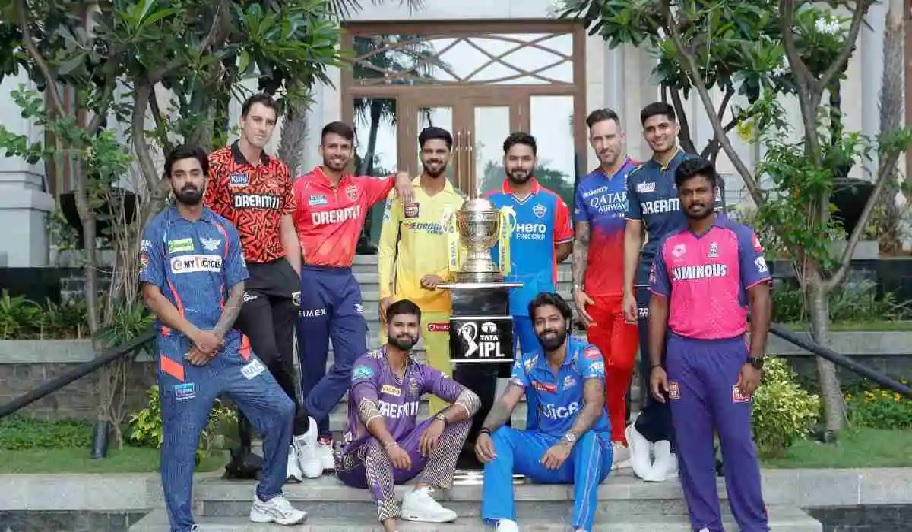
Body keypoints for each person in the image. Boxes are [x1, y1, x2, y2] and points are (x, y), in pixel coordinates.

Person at [140, 145, 306, 530]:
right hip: (181, 353)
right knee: (181, 444)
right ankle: (181, 526)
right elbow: (152, 295)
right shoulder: (158, 230)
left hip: (226, 348)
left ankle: (268, 497)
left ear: (205, 178)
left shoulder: (223, 229)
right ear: (170, 181)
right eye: (179, 174)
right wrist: (196, 336)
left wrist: (214, 336)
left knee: (281, 408)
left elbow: (238, 289)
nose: (188, 181)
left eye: (194, 173)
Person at [648, 156, 771, 532]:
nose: (695, 198)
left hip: (729, 352)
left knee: (737, 442)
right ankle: (705, 524)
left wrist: (755, 360)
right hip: (682, 355)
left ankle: (754, 525)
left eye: (701, 190)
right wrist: (656, 364)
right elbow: (658, 305)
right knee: (691, 446)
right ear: (679, 196)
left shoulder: (739, 237)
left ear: (714, 191)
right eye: (687, 192)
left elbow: (761, 297)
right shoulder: (669, 245)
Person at [293, 121, 413, 477]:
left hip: (344, 280)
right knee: (313, 364)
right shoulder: (301, 188)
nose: (338, 152)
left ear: (352, 151)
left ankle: (302, 419)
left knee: (355, 361)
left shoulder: (360, 187)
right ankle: (318, 441)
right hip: (311, 277)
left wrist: (403, 176)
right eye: (332, 146)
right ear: (321, 149)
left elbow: (393, 180)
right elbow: (285, 231)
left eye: (344, 147)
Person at [204, 94, 309, 479]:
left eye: (269, 122)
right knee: (264, 354)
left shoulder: (279, 170)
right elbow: (205, 222)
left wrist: (295, 277)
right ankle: (300, 425)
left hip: (278, 273)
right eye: (257, 120)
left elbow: (287, 226)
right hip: (240, 274)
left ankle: (287, 444)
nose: (263, 127)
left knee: (282, 358)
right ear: (243, 121)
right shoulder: (217, 164)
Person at [622, 102, 724, 481]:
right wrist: (627, 290)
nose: (658, 134)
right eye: (650, 129)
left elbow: (717, 227)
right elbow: (633, 235)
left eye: (663, 126)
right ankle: (664, 439)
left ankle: (651, 430)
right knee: (656, 361)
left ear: (676, 127)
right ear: (644, 134)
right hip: (651, 278)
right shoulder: (637, 177)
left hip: (693, 275)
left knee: (687, 360)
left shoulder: (697, 170)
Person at [336, 299, 481, 532]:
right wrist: (390, 444)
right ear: (387, 328)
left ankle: (420, 496)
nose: (405, 330)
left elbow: (471, 398)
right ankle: (390, 525)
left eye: (411, 325)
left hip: (401, 458)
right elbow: (366, 408)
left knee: (460, 417)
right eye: (399, 325)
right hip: (356, 464)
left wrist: (442, 420)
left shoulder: (419, 372)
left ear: (419, 331)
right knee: (375, 443)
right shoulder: (367, 364)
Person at [475, 292, 614, 532]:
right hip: (547, 453)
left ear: (567, 322)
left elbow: (594, 404)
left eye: (553, 319)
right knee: (498, 437)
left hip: (586, 453)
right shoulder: (529, 362)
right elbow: (506, 402)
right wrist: (485, 430)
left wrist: (567, 442)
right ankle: (505, 522)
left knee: (590, 439)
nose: (547, 327)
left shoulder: (587, 354)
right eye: (540, 322)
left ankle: (581, 527)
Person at [486, 132, 573, 430]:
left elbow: (563, 246)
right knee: (500, 376)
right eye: (513, 158)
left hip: (539, 306)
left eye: (525, 158)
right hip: (497, 304)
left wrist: (537, 270)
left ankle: (539, 433)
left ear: (535, 160)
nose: (519, 164)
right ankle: (499, 438)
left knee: (540, 373)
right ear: (505, 161)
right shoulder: (489, 202)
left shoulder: (552, 202)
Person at [377, 127, 465, 415]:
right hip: (402, 303)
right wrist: (384, 293)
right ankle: (392, 434)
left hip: (441, 304)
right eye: (428, 151)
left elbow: (465, 252)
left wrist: (445, 276)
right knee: (389, 375)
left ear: (449, 155)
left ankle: (439, 436)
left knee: (441, 379)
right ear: (420, 153)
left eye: (440, 151)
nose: (434, 157)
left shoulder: (459, 202)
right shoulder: (402, 193)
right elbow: (386, 247)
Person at [572, 108, 640, 465]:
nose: (604, 144)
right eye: (597, 138)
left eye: (609, 136)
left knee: (622, 363)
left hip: (631, 292)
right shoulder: (586, 186)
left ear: (622, 137)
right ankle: (613, 437)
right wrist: (576, 287)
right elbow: (581, 240)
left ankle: (620, 431)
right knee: (599, 368)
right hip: (596, 295)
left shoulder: (640, 176)